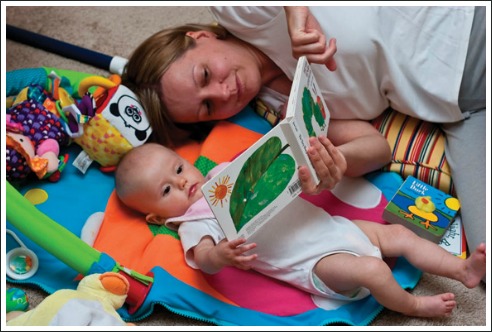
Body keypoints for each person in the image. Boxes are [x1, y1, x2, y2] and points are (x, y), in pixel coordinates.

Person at [121, 6, 486, 278]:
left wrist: (296, 17)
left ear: (201, 38)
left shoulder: (243, 15)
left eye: (204, 74)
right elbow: (377, 148)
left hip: (466, 24)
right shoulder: (282, 112)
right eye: (207, 107)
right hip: (463, 108)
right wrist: (338, 162)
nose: (223, 92)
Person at [114, 142, 486, 319]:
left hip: (337, 228)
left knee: (400, 235)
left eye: (179, 170)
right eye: (165, 191)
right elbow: (206, 260)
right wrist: (221, 255)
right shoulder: (192, 222)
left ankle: (461, 270)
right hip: (318, 262)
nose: (181, 184)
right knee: (373, 270)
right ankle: (413, 305)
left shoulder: (222, 176)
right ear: (156, 218)